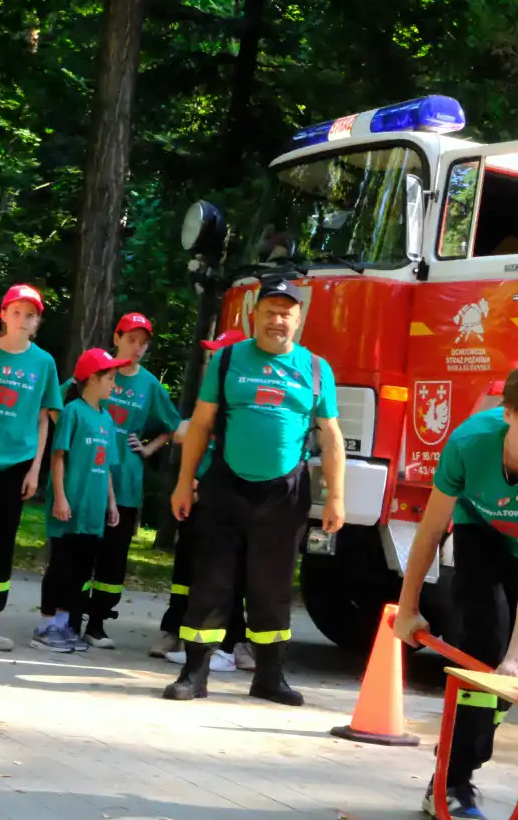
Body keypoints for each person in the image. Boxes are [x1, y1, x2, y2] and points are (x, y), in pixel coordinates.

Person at [393, 358, 518, 820]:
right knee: (481, 646)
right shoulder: (468, 444)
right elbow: (430, 532)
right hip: (478, 533)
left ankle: (457, 761)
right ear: (508, 414)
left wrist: (515, 660)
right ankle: (453, 784)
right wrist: (408, 608)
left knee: (507, 672)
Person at [165, 277, 345, 705]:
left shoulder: (316, 369)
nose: (276, 321)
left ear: (298, 319)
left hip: (284, 494)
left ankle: (269, 677)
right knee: (211, 580)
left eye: (285, 313)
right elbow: (201, 424)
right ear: (254, 316)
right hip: (226, 487)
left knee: (272, 586)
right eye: (269, 312)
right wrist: (184, 483)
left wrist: (336, 497)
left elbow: (331, 437)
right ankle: (194, 674)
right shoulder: (227, 360)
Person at [0, 283, 65, 652]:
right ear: (3, 315)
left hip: (18, 461)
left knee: (3, 540)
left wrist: (35, 469)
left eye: (30, 315)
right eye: (16, 312)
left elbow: (43, 418)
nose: (23, 319)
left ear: (37, 322)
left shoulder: (44, 362)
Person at [76, 313, 182, 649]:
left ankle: (97, 622)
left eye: (143, 343)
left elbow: (174, 425)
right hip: (90, 476)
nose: (136, 347)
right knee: (82, 549)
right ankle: (69, 617)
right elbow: (63, 402)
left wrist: (148, 448)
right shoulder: (99, 370)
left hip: (126, 481)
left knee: (113, 554)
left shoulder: (149, 385)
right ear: (117, 338)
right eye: (131, 340)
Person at [152, 332, 253, 673]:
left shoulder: (239, 404)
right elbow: (185, 433)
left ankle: (228, 645)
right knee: (193, 570)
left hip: (222, 499)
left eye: (219, 354)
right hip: (198, 499)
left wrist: (204, 487)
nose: (212, 361)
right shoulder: (211, 397)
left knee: (226, 574)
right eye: (211, 355)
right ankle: (183, 634)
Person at [32, 349, 124, 652]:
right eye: (110, 378)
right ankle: (45, 627)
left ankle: (63, 625)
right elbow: (58, 457)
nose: (114, 385)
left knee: (81, 571)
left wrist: (111, 502)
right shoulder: (72, 411)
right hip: (69, 506)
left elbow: (106, 465)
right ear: (92, 379)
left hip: (93, 510)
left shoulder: (106, 419)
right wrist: (60, 498)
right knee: (61, 566)